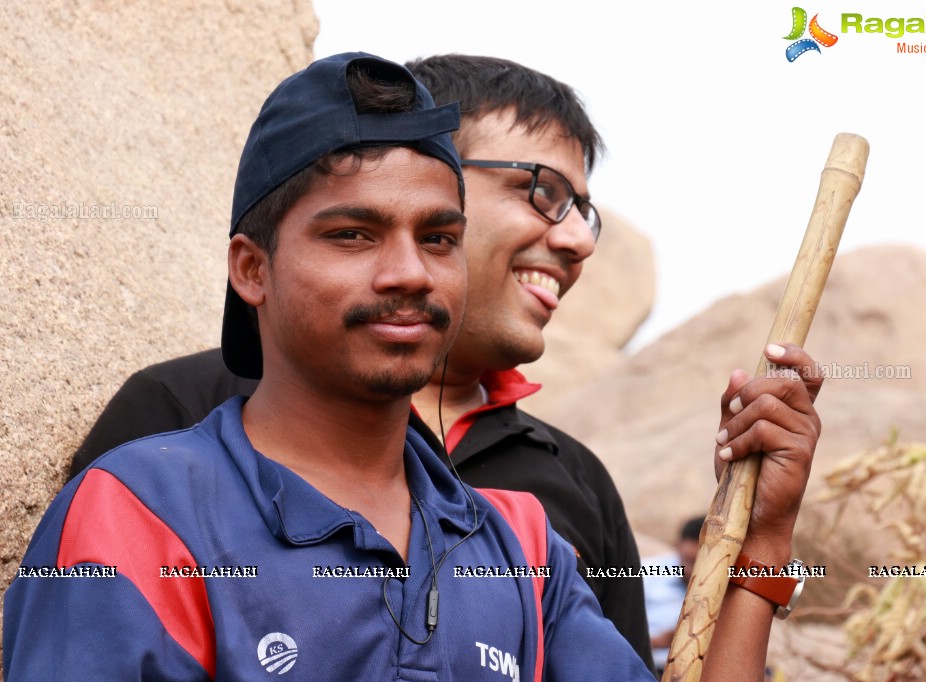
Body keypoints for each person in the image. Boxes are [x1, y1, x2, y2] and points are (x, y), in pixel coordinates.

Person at [29, 52, 826, 679]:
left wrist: (759, 545)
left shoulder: (525, 544)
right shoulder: (142, 504)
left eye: (437, 238)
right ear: (252, 269)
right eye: (352, 234)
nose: (409, 272)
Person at [645, 516, 703, 674]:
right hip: (647, 667)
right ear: (677, 546)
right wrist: (658, 642)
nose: (692, 571)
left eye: (701, 563)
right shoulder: (646, 575)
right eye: (689, 561)